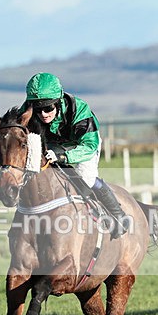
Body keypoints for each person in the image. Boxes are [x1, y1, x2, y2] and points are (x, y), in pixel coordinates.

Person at [21, 72, 129, 237]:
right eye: (37, 109)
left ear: (58, 101)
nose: (43, 114)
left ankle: (118, 215)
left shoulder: (79, 109)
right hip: (51, 146)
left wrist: (63, 157)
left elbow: (89, 145)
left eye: (48, 107)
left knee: (85, 176)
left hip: (81, 145)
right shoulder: (26, 111)